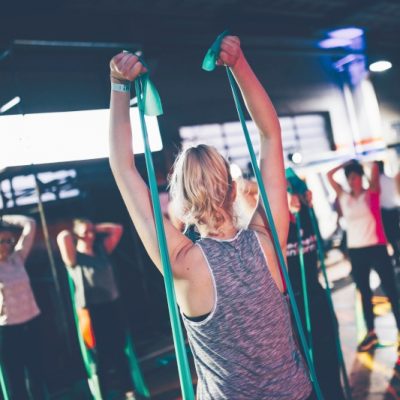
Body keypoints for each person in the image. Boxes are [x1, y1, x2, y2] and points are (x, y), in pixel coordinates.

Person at [109, 36, 312, 399]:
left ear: (181, 206)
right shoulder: (268, 239)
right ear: (234, 190)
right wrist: (238, 63)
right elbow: (270, 134)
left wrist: (118, 86)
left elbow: (124, 169)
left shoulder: (183, 262)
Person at [57, 219, 136, 399]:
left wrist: (94, 228)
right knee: (98, 357)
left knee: (119, 351)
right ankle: (102, 395)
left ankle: (129, 391)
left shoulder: (102, 250)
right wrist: (78, 231)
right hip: (91, 312)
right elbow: (63, 237)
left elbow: (118, 228)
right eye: (86, 232)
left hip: (112, 306)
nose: (90, 235)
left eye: (92, 231)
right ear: (77, 234)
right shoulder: (74, 257)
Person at [327, 160, 400, 351]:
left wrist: (361, 162)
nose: (351, 182)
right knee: (364, 293)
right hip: (357, 251)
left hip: (377, 247)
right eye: (349, 178)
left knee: (391, 291)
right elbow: (329, 175)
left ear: (361, 177)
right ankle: (371, 334)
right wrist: (345, 163)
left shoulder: (371, 194)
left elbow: (375, 169)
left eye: (354, 177)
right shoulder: (344, 197)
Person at [287, 190, 345, 400]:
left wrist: (306, 202)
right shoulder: (273, 223)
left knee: (330, 357)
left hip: (316, 295)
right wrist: (280, 197)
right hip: (293, 305)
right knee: (307, 367)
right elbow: (244, 188)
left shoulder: (307, 216)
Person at [0, 215, 46, 399]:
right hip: (8, 329)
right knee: (16, 379)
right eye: (1, 241)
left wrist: (4, 218)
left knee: (37, 374)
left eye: (8, 240)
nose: (6, 244)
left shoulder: (17, 258)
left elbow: (30, 224)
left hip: (32, 322)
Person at [377, 160, 400, 266]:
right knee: (396, 235)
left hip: (385, 213)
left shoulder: (377, 183)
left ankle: (397, 256)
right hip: (394, 210)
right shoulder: (391, 180)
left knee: (391, 236)